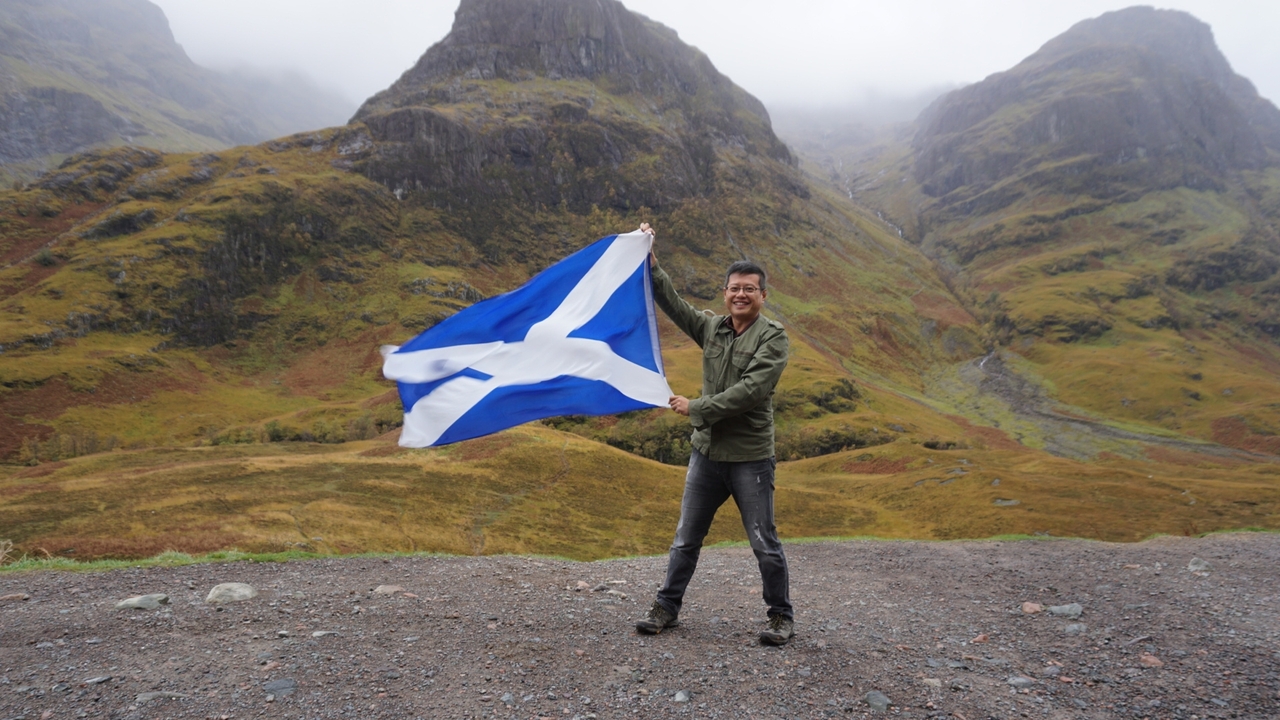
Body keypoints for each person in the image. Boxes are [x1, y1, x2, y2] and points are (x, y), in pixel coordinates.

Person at [633, 222, 794, 646]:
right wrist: (651, 264)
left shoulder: (773, 338)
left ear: (763, 296)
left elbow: (751, 392)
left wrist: (696, 407)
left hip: (750, 459)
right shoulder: (713, 328)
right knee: (686, 537)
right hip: (706, 455)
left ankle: (780, 616)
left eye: (750, 289)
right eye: (734, 288)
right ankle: (665, 608)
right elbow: (673, 304)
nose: (741, 295)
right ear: (725, 293)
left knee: (763, 541)